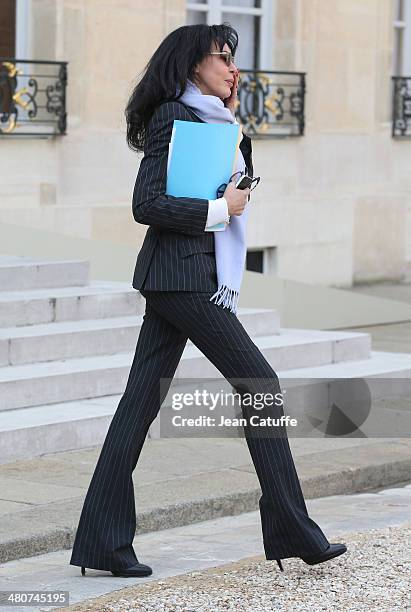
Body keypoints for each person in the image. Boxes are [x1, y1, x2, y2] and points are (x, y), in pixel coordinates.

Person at [69, 23, 347, 578]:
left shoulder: (215, 121)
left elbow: (221, 185)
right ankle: (294, 530)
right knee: (260, 384)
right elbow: (146, 204)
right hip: (185, 277)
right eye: (222, 58)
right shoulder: (173, 116)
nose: (232, 68)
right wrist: (223, 210)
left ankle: (102, 542)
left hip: (185, 277)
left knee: (137, 408)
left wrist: (234, 149)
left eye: (233, 60)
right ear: (191, 64)